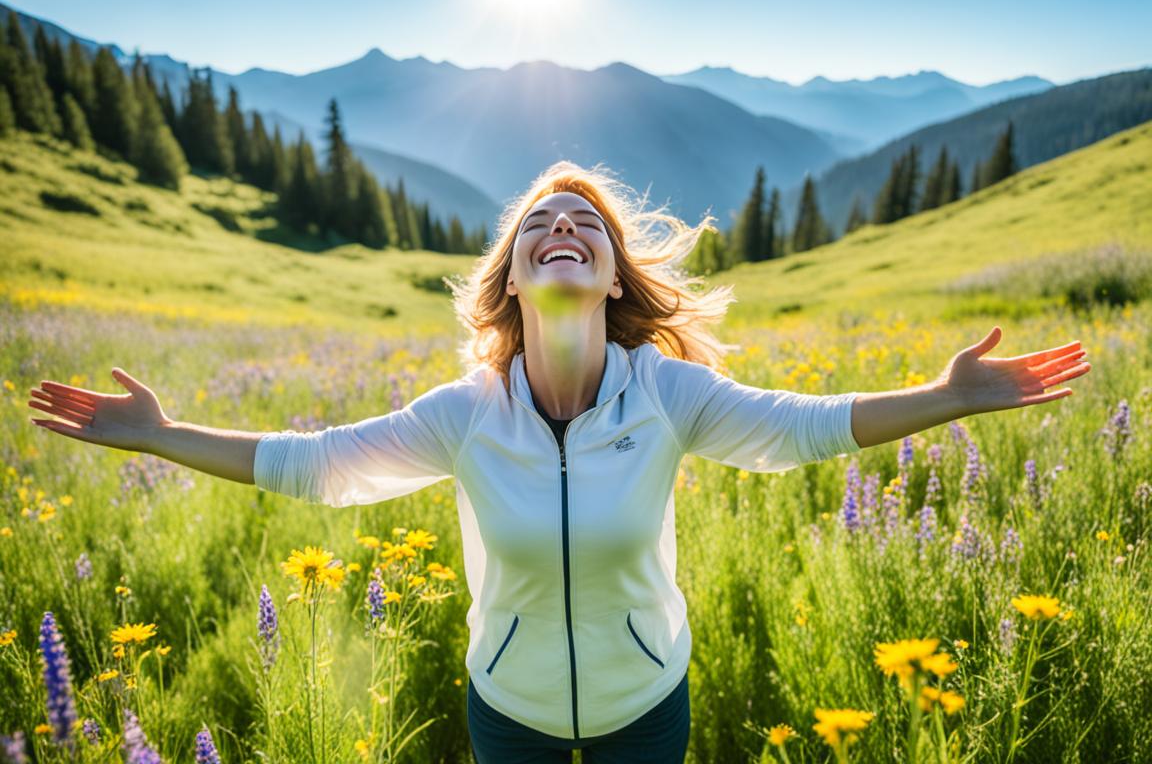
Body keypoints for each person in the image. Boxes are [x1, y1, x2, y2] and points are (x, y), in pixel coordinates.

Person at [28, 162, 1091, 763]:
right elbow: (319, 465)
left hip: (648, 707)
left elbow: (797, 430)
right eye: (541, 222)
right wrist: (161, 436)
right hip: (507, 714)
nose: (565, 227)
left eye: (586, 221)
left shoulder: (665, 394)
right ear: (513, 278)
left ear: (615, 271)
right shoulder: (465, 415)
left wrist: (947, 398)